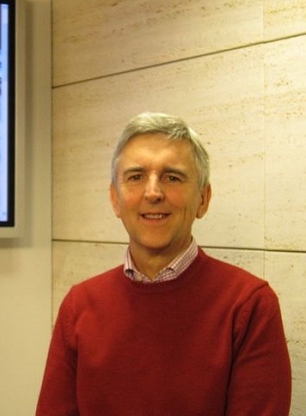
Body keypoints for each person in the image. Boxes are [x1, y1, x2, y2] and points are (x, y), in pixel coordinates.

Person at [36, 112, 292, 415]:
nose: (153, 192)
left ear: (203, 199)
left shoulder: (249, 306)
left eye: (172, 177)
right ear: (115, 199)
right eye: (136, 177)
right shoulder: (79, 305)